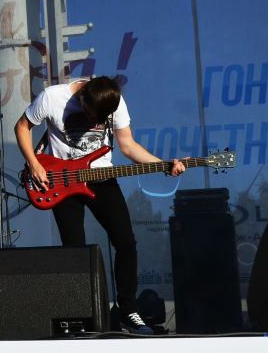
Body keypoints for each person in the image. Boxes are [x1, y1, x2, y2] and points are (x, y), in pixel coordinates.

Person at [14, 76, 185, 335]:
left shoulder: (114, 103)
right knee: (75, 250)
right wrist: (34, 164)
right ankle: (81, 316)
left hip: (101, 178)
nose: (91, 120)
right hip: (63, 182)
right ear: (82, 96)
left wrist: (164, 165)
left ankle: (129, 312)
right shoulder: (53, 97)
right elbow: (22, 126)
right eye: (87, 113)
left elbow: (128, 146)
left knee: (126, 242)